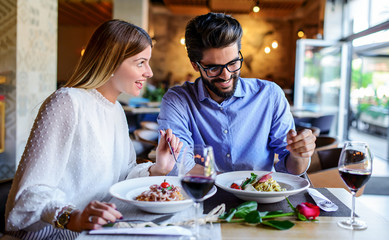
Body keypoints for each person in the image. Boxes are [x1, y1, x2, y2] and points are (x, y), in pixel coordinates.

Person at [3, 19, 182, 239]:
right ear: (111, 61)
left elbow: (123, 175)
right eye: (140, 62)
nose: (150, 72)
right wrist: (72, 217)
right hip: (55, 231)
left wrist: (158, 169)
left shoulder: (115, 110)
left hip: (96, 229)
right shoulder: (68, 101)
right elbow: (31, 191)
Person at [158, 13, 316, 176]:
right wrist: (233, 184)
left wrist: (299, 155)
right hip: (202, 197)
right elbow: (179, 164)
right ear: (195, 65)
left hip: (260, 198)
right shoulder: (177, 101)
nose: (226, 75)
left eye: (233, 63)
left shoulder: (270, 95)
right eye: (213, 68)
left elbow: (291, 168)